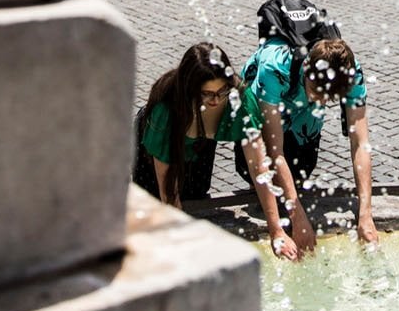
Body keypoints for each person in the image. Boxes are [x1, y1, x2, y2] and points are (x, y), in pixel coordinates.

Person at [133, 43, 313, 260]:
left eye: (222, 91)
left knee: (196, 195)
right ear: (189, 89)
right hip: (154, 149)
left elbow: (259, 169)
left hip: (199, 142)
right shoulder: (166, 111)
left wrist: (277, 231)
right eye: (207, 94)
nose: (216, 100)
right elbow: (168, 191)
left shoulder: (240, 99)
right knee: (152, 210)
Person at [234, 11, 378, 246]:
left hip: (304, 125)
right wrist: (298, 217)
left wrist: (366, 214)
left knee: (300, 175)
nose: (322, 101)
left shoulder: (350, 73)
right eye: (317, 92)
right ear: (306, 70)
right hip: (266, 108)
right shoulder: (274, 67)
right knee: (264, 182)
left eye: (330, 98)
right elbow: (274, 151)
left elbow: (361, 143)